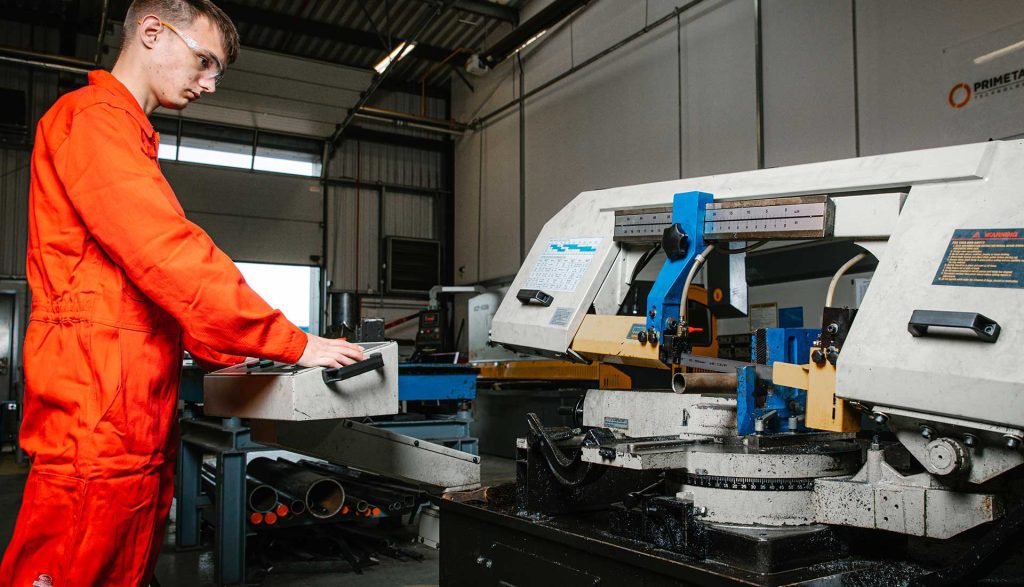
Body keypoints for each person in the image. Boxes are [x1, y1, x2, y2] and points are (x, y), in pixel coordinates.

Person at [0, 1, 364, 585]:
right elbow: (167, 255)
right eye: (203, 61)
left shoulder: (126, 134)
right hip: (98, 412)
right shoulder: (91, 120)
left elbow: (151, 286)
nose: (210, 83)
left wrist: (233, 351)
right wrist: (293, 344)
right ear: (151, 32)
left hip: (128, 412)